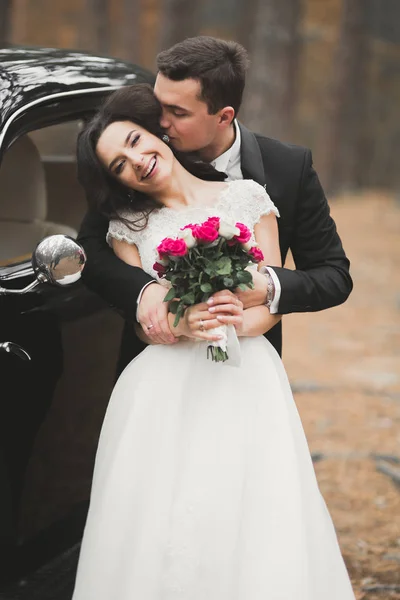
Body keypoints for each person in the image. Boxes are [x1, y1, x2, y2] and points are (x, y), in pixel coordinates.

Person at [71, 83, 355, 599]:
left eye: (136, 141)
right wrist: (176, 321)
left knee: (247, 501)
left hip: (245, 374)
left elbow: (273, 289)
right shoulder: (126, 225)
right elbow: (144, 323)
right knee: (162, 511)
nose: (135, 161)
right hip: (161, 383)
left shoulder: (248, 195)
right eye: (118, 164)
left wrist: (242, 322)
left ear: (158, 131)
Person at [77, 36, 353, 375]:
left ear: (223, 117)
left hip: (245, 364)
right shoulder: (143, 158)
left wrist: (265, 286)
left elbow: (334, 276)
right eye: (158, 104)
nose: (160, 122)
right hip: (160, 365)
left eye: (177, 113)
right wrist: (145, 292)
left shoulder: (287, 168)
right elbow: (89, 248)